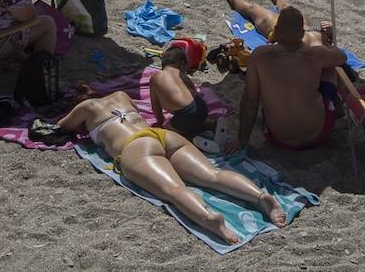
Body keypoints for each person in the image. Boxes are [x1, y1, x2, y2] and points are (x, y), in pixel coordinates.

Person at [58, 90, 286, 245]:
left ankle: (210, 219)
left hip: (134, 147)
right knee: (212, 175)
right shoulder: (120, 95)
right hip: (163, 135)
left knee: (175, 190)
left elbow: (62, 127)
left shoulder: (86, 107)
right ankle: (260, 196)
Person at [227, 0, 345, 153]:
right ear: (302, 34)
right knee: (330, 69)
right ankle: (337, 109)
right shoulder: (316, 54)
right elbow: (341, 57)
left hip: (278, 138)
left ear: (276, 33)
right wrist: (327, 41)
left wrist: (241, 140)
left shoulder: (260, 56)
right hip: (318, 135)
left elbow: (250, 101)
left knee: (260, 91)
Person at [150, 41, 215, 138]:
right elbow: (194, 92)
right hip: (201, 107)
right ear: (180, 64)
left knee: (165, 134)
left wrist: (160, 123)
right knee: (194, 121)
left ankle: (190, 138)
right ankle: (210, 125)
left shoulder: (155, 77)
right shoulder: (182, 75)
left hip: (186, 114)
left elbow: (156, 107)